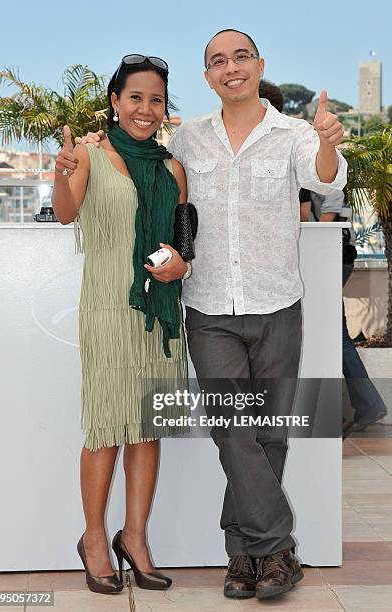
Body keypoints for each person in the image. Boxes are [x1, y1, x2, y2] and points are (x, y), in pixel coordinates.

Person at [78, 29, 347, 601]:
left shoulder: (294, 133)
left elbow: (325, 177)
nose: (231, 68)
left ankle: (245, 559)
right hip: (208, 309)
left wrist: (326, 141)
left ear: (258, 65)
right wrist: (89, 150)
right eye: (218, 61)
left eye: (240, 57)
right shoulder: (189, 140)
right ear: (207, 77)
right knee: (233, 432)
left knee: (270, 435)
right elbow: (145, 176)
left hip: (278, 303)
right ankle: (278, 547)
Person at [52, 54, 190, 596]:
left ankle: (134, 537)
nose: (146, 108)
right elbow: (67, 213)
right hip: (109, 310)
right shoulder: (88, 153)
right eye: (136, 96)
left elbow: (182, 243)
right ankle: (92, 539)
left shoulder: (171, 168)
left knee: (148, 428)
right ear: (115, 100)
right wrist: (61, 176)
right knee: (107, 426)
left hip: (159, 315)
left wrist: (181, 262)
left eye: (156, 99)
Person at [299, 188, 387, 436]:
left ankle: (342, 412)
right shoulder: (327, 168)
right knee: (336, 335)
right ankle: (366, 405)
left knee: (327, 335)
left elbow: (312, 219)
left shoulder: (318, 168)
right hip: (334, 257)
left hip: (324, 258)